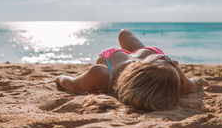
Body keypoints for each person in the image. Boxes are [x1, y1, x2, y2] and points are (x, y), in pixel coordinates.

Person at [55, 29, 203, 110]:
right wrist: (183, 79)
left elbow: (69, 83)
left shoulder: (101, 75)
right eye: (173, 64)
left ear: (140, 69)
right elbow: (196, 83)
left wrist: (59, 78)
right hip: (144, 55)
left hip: (115, 58)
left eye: (170, 61)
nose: (176, 62)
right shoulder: (175, 83)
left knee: (124, 34)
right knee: (124, 34)